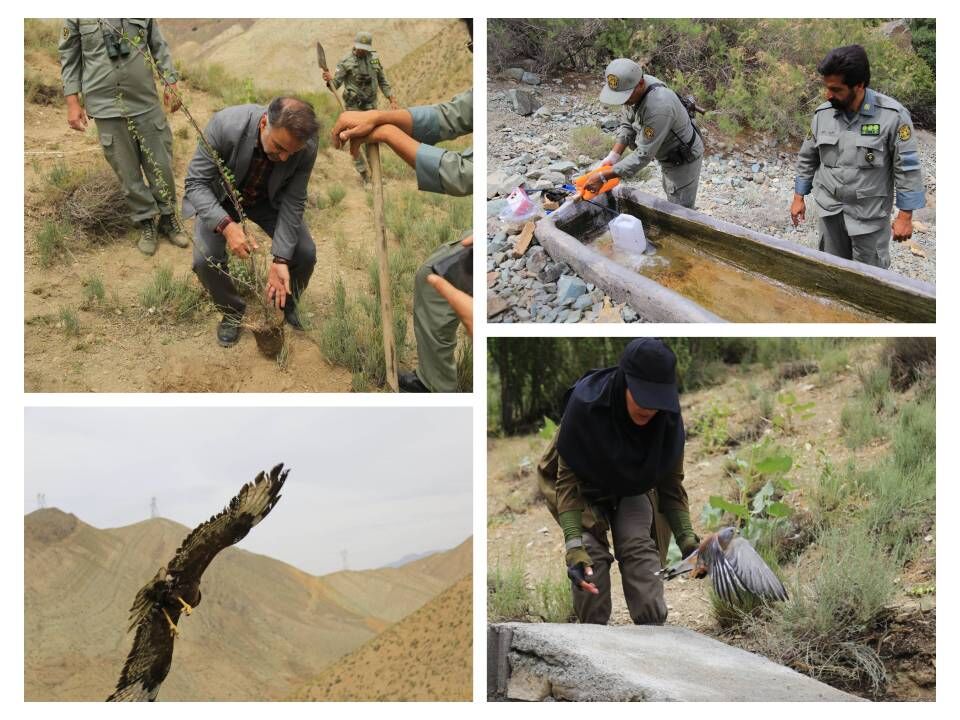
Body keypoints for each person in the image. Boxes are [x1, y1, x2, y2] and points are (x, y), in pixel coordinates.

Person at [331, 21, 473, 393]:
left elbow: (464, 173)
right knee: (432, 276)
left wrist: (388, 126)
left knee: (437, 277)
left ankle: (440, 392)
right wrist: (381, 118)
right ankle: (436, 384)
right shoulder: (349, 62)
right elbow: (449, 115)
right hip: (360, 111)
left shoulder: (373, 63)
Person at [537, 338, 699, 625]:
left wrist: (689, 544)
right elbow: (567, 484)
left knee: (638, 547)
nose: (649, 408)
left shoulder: (668, 420)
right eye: (641, 396)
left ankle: (652, 632)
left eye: (656, 400)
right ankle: (594, 638)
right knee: (590, 561)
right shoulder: (585, 406)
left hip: (633, 487)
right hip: (583, 486)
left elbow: (671, 488)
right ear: (624, 382)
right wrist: (574, 547)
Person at [183, 97, 319, 348]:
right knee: (205, 259)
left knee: (304, 252)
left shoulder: (306, 145)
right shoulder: (225, 125)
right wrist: (226, 225)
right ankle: (232, 312)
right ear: (264, 122)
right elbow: (196, 183)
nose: (285, 157)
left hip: (268, 200)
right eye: (279, 147)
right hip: (221, 199)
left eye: (292, 152)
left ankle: (285, 304)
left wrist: (280, 258)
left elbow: (294, 199)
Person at [58, 18, 189, 255]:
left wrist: (170, 81)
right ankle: (146, 220)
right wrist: (72, 101)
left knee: (161, 163)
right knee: (127, 172)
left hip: (144, 101)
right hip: (105, 105)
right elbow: (69, 56)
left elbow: (158, 44)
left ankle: (169, 218)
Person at [791, 44, 925, 269]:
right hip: (830, 214)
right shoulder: (823, 115)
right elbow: (807, 157)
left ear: (859, 85)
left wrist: (905, 217)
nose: (828, 95)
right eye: (827, 88)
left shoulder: (893, 117)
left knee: (870, 283)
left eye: (836, 89)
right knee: (830, 275)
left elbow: (907, 168)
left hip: (869, 220)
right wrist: (798, 197)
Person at [583, 58, 704, 209]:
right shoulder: (632, 88)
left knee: (680, 207)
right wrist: (614, 156)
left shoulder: (659, 107)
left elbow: (643, 155)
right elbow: (627, 122)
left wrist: (603, 176)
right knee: (670, 192)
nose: (623, 102)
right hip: (666, 154)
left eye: (625, 98)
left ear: (640, 84)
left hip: (683, 159)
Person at [322, 31, 398, 182]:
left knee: (372, 139)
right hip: (353, 108)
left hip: (371, 107)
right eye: (359, 47)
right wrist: (329, 80)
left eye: (364, 48)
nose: (361, 50)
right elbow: (335, 85)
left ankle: (376, 175)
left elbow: (382, 80)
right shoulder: (345, 61)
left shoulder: (374, 59)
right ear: (354, 45)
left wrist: (392, 99)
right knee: (356, 140)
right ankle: (365, 176)